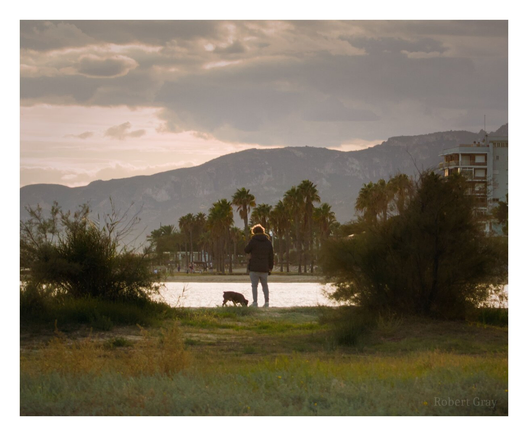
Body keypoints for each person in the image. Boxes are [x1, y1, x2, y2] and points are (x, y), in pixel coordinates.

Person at [244, 224, 274, 307]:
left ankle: (255, 302)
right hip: (264, 267)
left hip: (254, 267)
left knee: (254, 286)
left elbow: (246, 250)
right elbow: (271, 256)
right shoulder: (268, 242)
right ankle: (267, 302)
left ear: (254, 232)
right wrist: (270, 267)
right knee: (265, 285)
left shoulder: (253, 241)